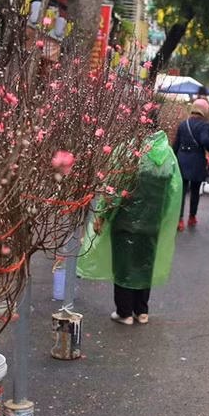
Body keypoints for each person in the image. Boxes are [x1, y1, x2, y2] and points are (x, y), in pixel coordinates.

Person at [80, 130, 182, 326]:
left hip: (126, 221)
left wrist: (102, 214)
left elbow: (114, 188)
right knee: (145, 264)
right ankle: (141, 311)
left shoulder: (129, 152)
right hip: (153, 222)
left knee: (124, 265)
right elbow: (174, 189)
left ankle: (124, 312)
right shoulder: (168, 154)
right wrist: (164, 216)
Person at [173, 99, 209, 231]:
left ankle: (179, 220)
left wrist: (174, 159)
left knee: (181, 191)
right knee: (195, 191)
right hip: (197, 160)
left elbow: (176, 144)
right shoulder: (204, 125)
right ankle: (192, 217)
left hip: (182, 159)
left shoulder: (183, 124)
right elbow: (205, 141)